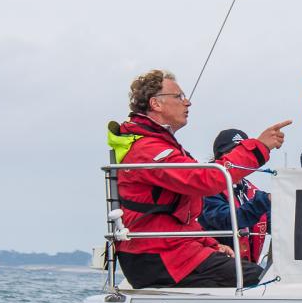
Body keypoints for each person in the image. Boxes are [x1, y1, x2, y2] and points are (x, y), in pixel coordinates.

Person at [107, 69, 290, 289]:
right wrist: (258, 147)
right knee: (261, 279)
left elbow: (177, 219)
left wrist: (209, 244)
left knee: (256, 274)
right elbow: (206, 180)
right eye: (179, 96)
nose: (187, 102)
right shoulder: (149, 149)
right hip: (157, 257)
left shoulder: (157, 145)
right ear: (156, 104)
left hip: (168, 250)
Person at [199, 129, 272, 263]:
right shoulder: (208, 190)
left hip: (247, 265)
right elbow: (227, 221)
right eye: (236, 153)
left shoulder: (250, 190)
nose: (241, 158)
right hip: (217, 262)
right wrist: (263, 201)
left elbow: (274, 223)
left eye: (243, 152)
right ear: (221, 158)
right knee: (257, 275)